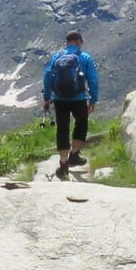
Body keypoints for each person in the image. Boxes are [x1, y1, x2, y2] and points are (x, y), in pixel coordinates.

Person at [41, 30, 99, 180]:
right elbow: (93, 80)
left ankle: (64, 164)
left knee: (62, 129)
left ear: (67, 42)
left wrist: (47, 98)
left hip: (60, 99)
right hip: (79, 98)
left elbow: (47, 77)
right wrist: (93, 100)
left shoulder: (56, 57)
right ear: (79, 41)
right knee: (81, 125)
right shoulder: (85, 57)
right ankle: (74, 154)